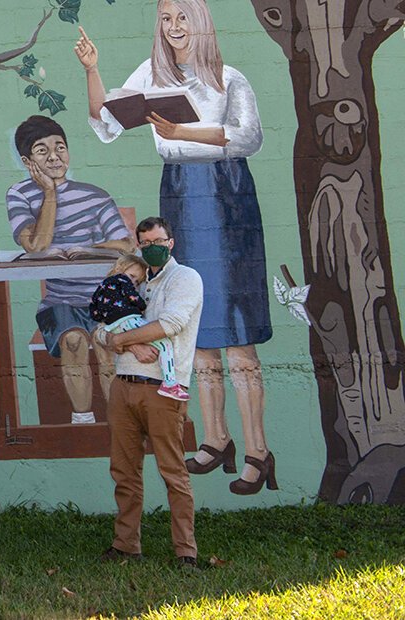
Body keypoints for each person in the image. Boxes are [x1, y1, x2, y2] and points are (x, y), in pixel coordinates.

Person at [77, 0, 274, 493]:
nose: (174, 26)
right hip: (181, 193)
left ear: (201, 23)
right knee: (200, 328)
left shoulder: (231, 78)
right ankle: (215, 438)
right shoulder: (151, 73)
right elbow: (106, 122)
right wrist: (92, 69)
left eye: (182, 16)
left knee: (237, 333)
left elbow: (249, 137)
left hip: (227, 196)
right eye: (165, 18)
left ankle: (258, 450)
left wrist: (182, 130)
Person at [93, 217, 206, 569]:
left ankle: (185, 550)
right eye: (145, 242)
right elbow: (99, 330)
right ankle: (126, 544)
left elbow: (172, 324)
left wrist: (122, 341)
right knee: (124, 471)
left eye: (159, 240)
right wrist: (119, 343)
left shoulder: (185, 278)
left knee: (173, 471)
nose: (152, 246)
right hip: (124, 387)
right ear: (139, 246)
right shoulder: (133, 279)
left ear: (171, 242)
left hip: (163, 390)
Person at [6, 115, 134, 424]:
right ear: (27, 161)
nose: (54, 156)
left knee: (105, 343)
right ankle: (83, 421)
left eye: (60, 147)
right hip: (60, 301)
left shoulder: (95, 195)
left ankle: (120, 421)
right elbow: (36, 245)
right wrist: (49, 193)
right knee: (74, 342)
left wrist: (91, 249)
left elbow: (127, 246)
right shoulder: (20, 194)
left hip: (103, 300)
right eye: (41, 150)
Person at [90, 255, 188, 401]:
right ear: (119, 269)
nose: (133, 282)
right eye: (132, 277)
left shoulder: (101, 287)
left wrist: (108, 318)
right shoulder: (122, 280)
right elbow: (134, 298)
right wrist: (141, 306)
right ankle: (170, 383)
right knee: (165, 344)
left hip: (113, 326)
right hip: (127, 318)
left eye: (137, 281)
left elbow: (93, 311)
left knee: (140, 339)